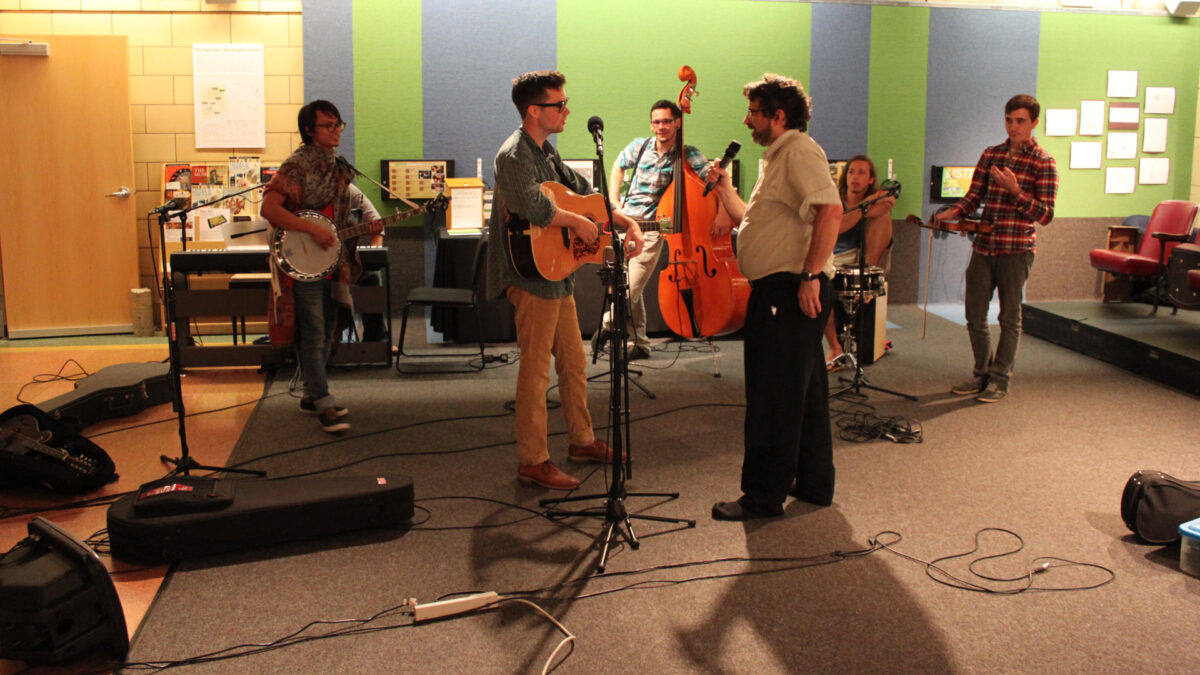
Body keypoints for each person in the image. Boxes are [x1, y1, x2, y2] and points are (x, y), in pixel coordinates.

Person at [486, 70, 645, 490]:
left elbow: (585, 192)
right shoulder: (513, 155)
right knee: (536, 373)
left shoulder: (548, 153)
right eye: (560, 104)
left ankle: (582, 440)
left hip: (556, 274)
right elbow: (533, 207)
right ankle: (533, 461)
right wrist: (577, 222)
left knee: (573, 362)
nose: (568, 110)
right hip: (531, 276)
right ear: (535, 110)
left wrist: (624, 219)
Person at [705, 73, 840, 520]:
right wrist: (724, 190)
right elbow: (754, 222)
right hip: (784, 285)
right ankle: (814, 482)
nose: (747, 121)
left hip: (789, 287)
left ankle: (763, 496)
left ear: (778, 116)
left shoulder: (798, 151)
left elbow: (830, 210)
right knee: (805, 391)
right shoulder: (778, 157)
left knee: (772, 395)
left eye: (754, 113)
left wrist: (810, 275)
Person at [261, 100, 382, 433]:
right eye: (328, 125)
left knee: (328, 326)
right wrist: (311, 229)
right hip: (303, 261)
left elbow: (338, 218)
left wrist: (365, 228)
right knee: (314, 329)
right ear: (309, 131)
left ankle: (310, 395)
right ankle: (324, 401)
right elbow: (269, 209)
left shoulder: (338, 167)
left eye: (338, 123)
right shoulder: (295, 167)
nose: (336, 130)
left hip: (332, 260)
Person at [935, 94, 1058, 403]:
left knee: (1009, 318)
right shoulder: (991, 154)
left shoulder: (1043, 161)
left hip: (1016, 250)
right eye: (1008, 120)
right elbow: (973, 197)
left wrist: (1016, 192)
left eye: (1020, 121)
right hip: (985, 246)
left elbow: (1045, 215)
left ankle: (1000, 379)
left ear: (1034, 123)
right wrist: (953, 212)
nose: (1013, 127)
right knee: (974, 315)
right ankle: (981, 374)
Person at [599, 99, 729, 360]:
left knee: (628, 290)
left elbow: (711, 178)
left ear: (678, 123)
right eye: (656, 122)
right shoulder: (639, 146)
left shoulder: (688, 153)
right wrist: (613, 199)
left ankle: (603, 327)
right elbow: (617, 166)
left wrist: (722, 201)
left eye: (667, 121)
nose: (661, 127)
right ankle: (641, 344)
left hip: (651, 231)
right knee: (625, 286)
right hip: (624, 224)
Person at [824, 155, 895, 367]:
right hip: (829, 254)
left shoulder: (878, 205)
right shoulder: (834, 199)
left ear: (871, 180)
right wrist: (865, 206)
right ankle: (835, 347)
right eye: (852, 172)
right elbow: (839, 226)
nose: (855, 177)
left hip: (857, 256)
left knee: (883, 216)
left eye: (862, 173)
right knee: (820, 285)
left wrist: (870, 207)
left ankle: (867, 278)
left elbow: (882, 217)